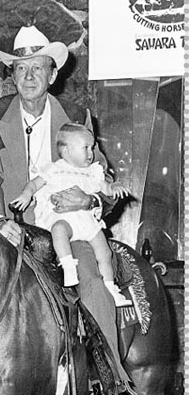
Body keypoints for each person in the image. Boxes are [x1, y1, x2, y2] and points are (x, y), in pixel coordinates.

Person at [0, 25, 147, 395]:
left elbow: (104, 179)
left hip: (66, 227)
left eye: (38, 67)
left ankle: (115, 386)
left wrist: (89, 201)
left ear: (53, 74)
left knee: (90, 276)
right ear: (11, 75)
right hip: (12, 227)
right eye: (20, 68)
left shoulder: (76, 120)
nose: (29, 76)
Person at [11, 121, 133, 307]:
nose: (91, 153)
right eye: (86, 148)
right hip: (62, 219)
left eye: (92, 147)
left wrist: (114, 187)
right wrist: (26, 194)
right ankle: (68, 265)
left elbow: (105, 188)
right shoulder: (54, 169)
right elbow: (35, 184)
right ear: (67, 151)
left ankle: (110, 288)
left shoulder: (92, 172)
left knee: (104, 252)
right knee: (59, 230)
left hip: (85, 221)